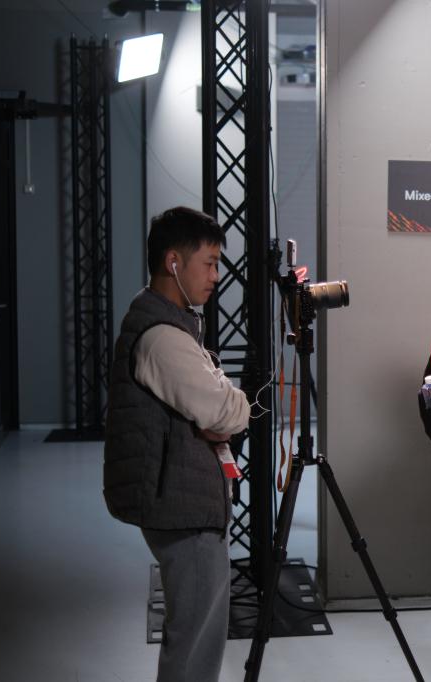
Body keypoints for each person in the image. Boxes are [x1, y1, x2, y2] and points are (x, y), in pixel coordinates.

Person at [103, 207, 250, 682]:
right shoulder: (163, 339)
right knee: (193, 640)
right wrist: (226, 409)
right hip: (182, 510)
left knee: (196, 633)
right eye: (209, 263)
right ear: (173, 262)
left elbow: (215, 411)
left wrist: (217, 409)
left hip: (182, 499)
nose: (215, 276)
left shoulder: (168, 322)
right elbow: (228, 412)